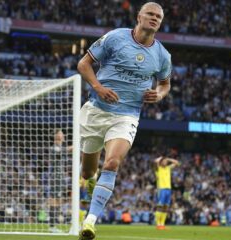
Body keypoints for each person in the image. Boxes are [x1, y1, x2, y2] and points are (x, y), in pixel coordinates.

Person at [76, 2, 171, 239]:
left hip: (127, 115)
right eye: (150, 14)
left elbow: (165, 84)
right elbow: (83, 64)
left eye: (158, 16)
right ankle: (91, 179)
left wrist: (158, 94)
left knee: (112, 163)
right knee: (87, 172)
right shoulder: (116, 37)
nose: (154, 18)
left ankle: (90, 221)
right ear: (139, 16)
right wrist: (98, 88)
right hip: (96, 111)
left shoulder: (162, 55)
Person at [46, 129, 72, 233]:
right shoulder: (54, 148)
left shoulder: (60, 147)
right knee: (55, 201)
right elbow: (64, 151)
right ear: (56, 136)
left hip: (60, 178)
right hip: (55, 178)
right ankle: (52, 226)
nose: (63, 135)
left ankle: (55, 224)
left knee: (60, 201)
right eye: (61, 133)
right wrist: (76, 145)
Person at [152, 156, 180, 229]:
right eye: (164, 161)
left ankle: (162, 224)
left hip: (168, 189)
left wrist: (168, 159)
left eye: (166, 161)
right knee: (160, 206)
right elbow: (155, 162)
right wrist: (160, 158)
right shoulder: (158, 169)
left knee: (166, 207)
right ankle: (158, 224)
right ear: (161, 162)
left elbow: (177, 163)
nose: (165, 162)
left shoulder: (168, 168)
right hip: (161, 189)